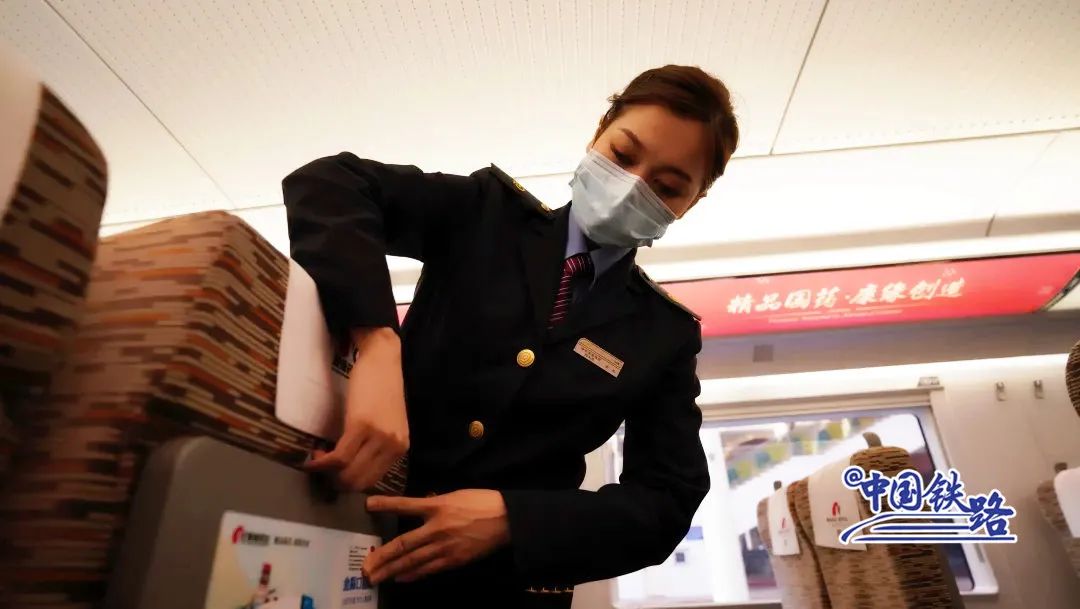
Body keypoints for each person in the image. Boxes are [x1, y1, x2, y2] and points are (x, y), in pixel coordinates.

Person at [283, 64, 739, 608]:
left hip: (504, 590)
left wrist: (513, 519)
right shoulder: (487, 215)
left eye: (667, 187)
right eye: (622, 155)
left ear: (692, 201)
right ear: (598, 133)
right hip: (356, 544)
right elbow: (329, 183)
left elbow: (667, 501)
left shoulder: (663, 334)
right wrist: (377, 344)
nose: (631, 187)